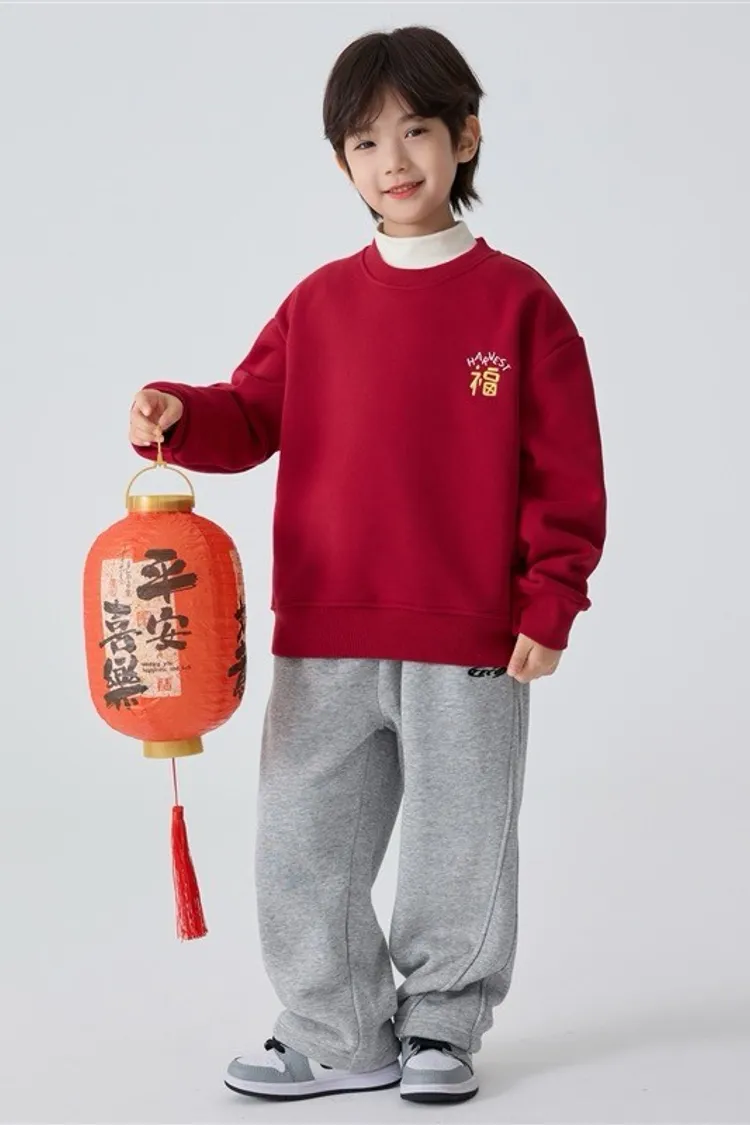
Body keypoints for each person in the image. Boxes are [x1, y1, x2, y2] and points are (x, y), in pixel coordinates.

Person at [129, 25, 606, 1106]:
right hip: (325, 630)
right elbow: (249, 414)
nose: (393, 160)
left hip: (471, 634)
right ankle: (338, 1032)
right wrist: (178, 414)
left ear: (465, 138)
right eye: (365, 142)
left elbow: (566, 469)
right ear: (342, 162)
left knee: (460, 840)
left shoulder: (519, 304)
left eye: (416, 131)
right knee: (303, 838)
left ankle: (442, 1023)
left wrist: (551, 598)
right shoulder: (319, 303)